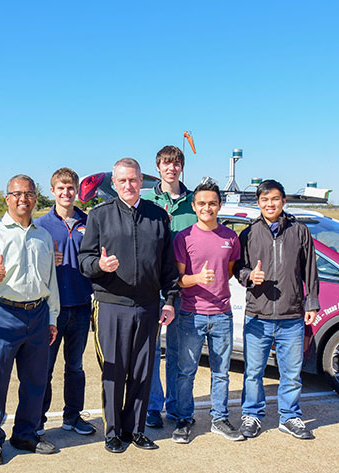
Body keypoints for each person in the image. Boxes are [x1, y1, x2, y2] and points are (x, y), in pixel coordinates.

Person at [78, 158, 179, 454]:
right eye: (122, 181)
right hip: (112, 306)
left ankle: (135, 430)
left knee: (142, 371)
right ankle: (112, 432)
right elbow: (84, 261)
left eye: (133, 180)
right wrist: (100, 265)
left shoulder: (158, 217)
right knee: (114, 371)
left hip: (148, 306)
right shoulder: (99, 216)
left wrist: (170, 301)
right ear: (114, 182)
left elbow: (168, 266)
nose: (128, 186)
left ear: (141, 180)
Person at [0, 174, 60, 465]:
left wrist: (53, 316)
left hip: (38, 314)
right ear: (7, 198)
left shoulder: (43, 236)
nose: (23, 199)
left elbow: (51, 280)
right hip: (4, 314)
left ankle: (25, 434)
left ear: (35, 198)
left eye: (29, 194)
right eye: (17, 194)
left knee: (35, 380)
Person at [235, 179, 320, 440]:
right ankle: (251, 415)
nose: (269, 204)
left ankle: (290, 417)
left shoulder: (299, 231)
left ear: (283, 201)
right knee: (253, 372)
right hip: (257, 315)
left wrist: (312, 302)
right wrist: (250, 276)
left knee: (292, 374)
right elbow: (238, 268)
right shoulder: (248, 234)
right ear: (258, 203)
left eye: (274, 199)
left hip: (291, 315)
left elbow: (310, 270)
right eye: (264, 200)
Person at [172, 180, 244, 443]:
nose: (207, 208)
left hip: (223, 315)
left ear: (220, 205)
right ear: (194, 206)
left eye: (212, 203)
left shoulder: (230, 237)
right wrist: (197, 278)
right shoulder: (184, 237)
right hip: (191, 314)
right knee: (186, 371)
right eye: (201, 203)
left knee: (221, 371)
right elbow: (178, 281)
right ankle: (183, 419)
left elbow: (228, 273)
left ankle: (220, 419)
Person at [35, 168, 96, 436]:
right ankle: (37, 420)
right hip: (50, 309)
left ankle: (72, 417)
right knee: (43, 368)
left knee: (75, 367)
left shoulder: (90, 221)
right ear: (53, 191)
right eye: (61, 188)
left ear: (77, 190)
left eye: (70, 188)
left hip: (81, 307)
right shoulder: (41, 225)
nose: (66, 193)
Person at [142, 145, 197, 430]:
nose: (171, 168)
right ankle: (153, 406)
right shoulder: (145, 201)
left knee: (178, 350)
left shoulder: (194, 202)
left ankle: (176, 406)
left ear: (181, 167)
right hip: (151, 286)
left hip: (184, 288)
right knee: (151, 350)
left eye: (176, 163)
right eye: (165, 163)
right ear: (158, 167)